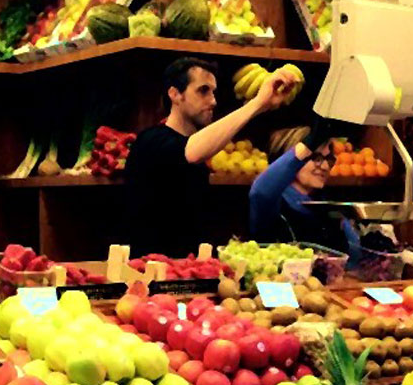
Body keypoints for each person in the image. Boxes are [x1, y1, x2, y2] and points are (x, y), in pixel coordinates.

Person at [124, 56, 297, 256]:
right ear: (175, 94)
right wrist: (258, 103)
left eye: (213, 92)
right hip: (150, 268)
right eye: (203, 90)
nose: (213, 101)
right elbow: (191, 152)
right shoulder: (151, 141)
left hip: (189, 268)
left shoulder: (196, 152)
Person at [249, 121, 357, 251]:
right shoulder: (273, 204)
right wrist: (308, 145)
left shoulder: (327, 207)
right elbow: (261, 193)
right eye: (316, 158)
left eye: (328, 159)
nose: (325, 166)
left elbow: (353, 252)